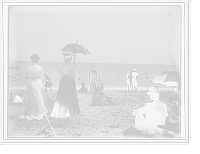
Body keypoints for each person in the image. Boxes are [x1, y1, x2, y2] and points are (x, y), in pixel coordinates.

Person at [23, 54, 48, 132]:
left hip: (30, 82)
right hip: (37, 82)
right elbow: (41, 77)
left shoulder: (27, 68)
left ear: (31, 60)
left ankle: (30, 112)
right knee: (39, 97)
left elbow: (26, 77)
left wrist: (30, 81)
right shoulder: (40, 68)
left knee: (31, 97)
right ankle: (38, 111)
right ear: (37, 60)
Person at [51, 53, 80, 118]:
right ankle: (69, 111)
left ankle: (60, 111)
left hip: (63, 79)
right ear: (69, 58)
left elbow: (59, 74)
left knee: (62, 95)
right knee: (70, 95)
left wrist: (60, 81)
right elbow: (74, 74)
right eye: (71, 57)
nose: (72, 58)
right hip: (70, 80)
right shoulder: (72, 65)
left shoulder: (61, 64)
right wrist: (75, 68)